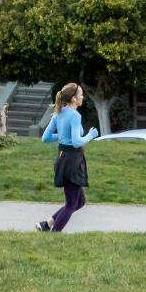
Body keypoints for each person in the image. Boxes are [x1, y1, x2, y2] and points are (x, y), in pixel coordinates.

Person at [37, 82, 98, 232]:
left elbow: (46, 137)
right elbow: (77, 142)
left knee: (80, 201)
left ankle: (47, 224)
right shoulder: (75, 115)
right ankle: (54, 233)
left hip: (62, 158)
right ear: (73, 98)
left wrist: (64, 136)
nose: (83, 97)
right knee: (71, 204)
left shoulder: (59, 112)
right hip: (73, 161)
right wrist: (90, 135)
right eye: (80, 94)